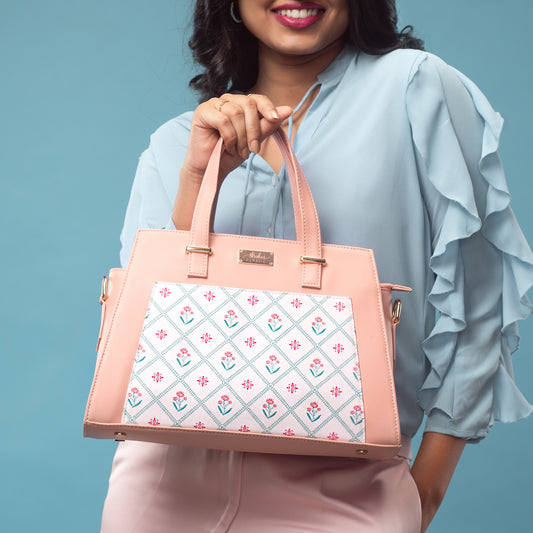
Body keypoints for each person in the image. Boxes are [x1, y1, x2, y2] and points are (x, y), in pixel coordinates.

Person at [101, 1, 533, 531]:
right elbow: (141, 335)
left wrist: (425, 494)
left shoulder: (412, 89)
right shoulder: (176, 143)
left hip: (349, 490)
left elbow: (480, 300)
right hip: (163, 488)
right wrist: (196, 178)